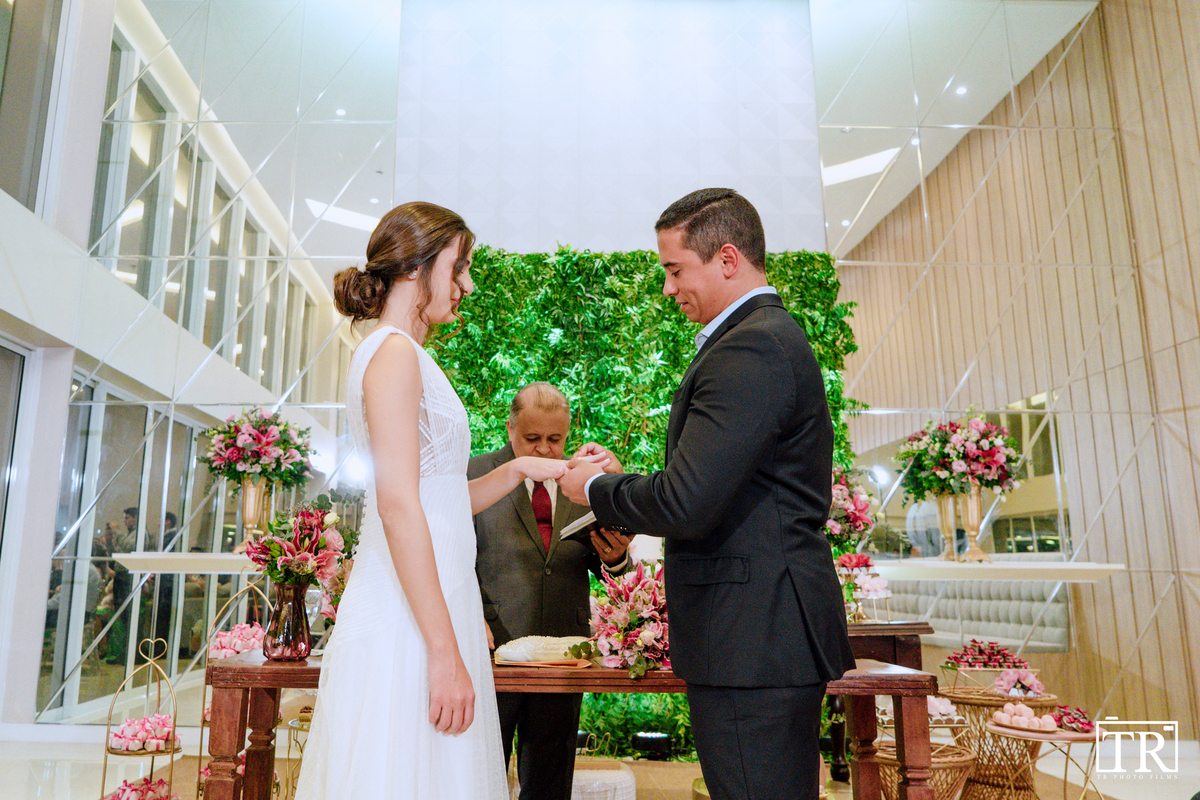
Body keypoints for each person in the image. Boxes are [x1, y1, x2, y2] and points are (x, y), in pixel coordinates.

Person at [296, 202, 603, 800]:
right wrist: (443, 652)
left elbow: (436, 499)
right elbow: (397, 506)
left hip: (437, 601)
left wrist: (517, 468)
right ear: (416, 267)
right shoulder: (392, 353)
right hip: (411, 620)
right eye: (458, 267)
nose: (466, 285)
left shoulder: (404, 352)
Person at [560, 188, 856, 800]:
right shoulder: (757, 339)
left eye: (674, 269)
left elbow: (687, 502)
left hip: (755, 637)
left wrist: (593, 487)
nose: (668, 289)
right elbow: (714, 483)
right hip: (756, 636)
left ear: (726, 259)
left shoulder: (751, 345)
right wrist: (624, 481)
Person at [469, 382, 633, 800]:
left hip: (565, 654)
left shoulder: (586, 483)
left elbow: (612, 570)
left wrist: (615, 557)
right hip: (491, 648)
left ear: (569, 433)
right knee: (478, 775)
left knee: (550, 780)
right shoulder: (474, 474)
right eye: (532, 438)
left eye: (555, 439)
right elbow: (450, 556)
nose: (544, 450)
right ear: (510, 428)